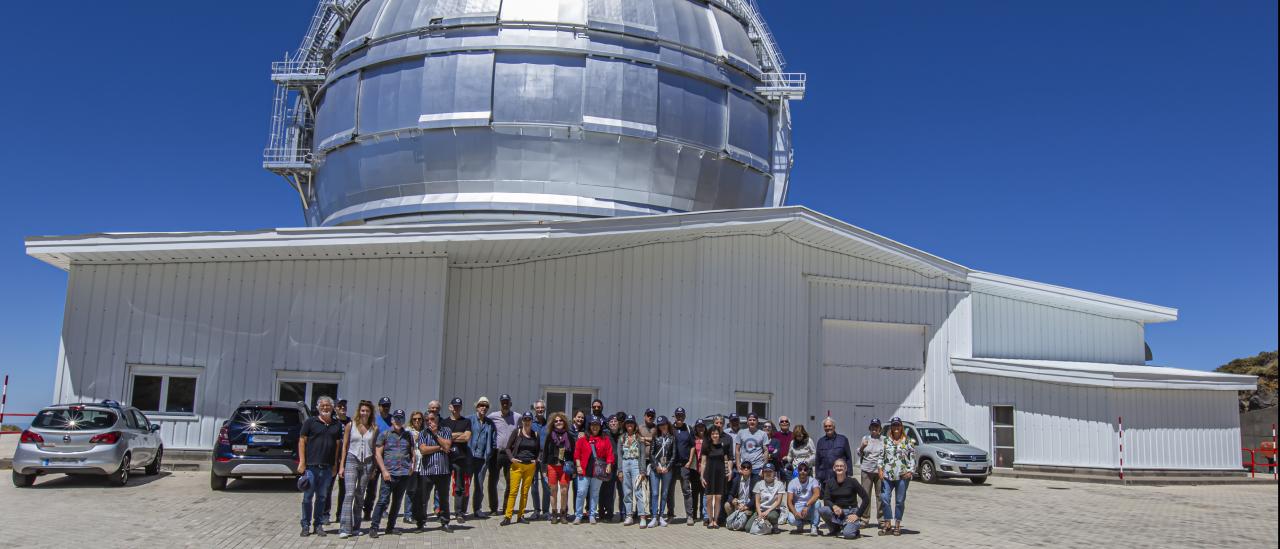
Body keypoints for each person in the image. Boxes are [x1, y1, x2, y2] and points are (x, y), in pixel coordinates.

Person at [298, 395, 343, 537]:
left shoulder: (336, 425)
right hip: (311, 467)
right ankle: (305, 525)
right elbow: (302, 442)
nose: (325, 408)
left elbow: (337, 446)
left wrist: (335, 463)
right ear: (318, 407)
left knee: (322, 497)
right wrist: (302, 462)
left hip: (328, 467)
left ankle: (318, 525)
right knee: (307, 497)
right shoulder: (310, 422)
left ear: (332, 408)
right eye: (322, 405)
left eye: (328, 406)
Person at [368, 410, 414, 539]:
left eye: (401, 418)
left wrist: (412, 465)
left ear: (403, 420)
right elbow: (377, 454)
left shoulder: (408, 435)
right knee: (383, 501)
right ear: (392, 420)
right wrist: (384, 471)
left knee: (397, 502)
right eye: (396, 418)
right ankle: (374, 527)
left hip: (404, 474)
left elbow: (411, 452)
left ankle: (390, 527)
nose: (398, 421)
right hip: (389, 474)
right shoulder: (385, 434)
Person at [337, 400, 378, 538]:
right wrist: (341, 465)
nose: (364, 413)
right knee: (349, 494)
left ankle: (356, 526)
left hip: (367, 462)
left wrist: (374, 468)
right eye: (362, 410)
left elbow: (374, 449)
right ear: (359, 411)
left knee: (360, 495)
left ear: (370, 412)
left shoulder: (374, 428)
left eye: (367, 410)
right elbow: (345, 446)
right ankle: (344, 528)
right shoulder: (351, 425)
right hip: (351, 459)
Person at [414, 410, 454, 532]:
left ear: (437, 419)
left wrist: (436, 434)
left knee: (443, 498)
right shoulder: (422, 434)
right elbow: (423, 450)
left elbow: (447, 447)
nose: (429, 422)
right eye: (427, 420)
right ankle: (421, 523)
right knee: (423, 499)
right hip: (427, 471)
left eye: (432, 419)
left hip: (443, 470)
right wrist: (439, 447)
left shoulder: (446, 431)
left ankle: (445, 522)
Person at [499, 412, 540, 525]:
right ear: (522, 421)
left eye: (529, 419)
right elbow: (507, 448)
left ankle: (520, 516)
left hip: (530, 467)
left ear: (532, 421)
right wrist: (512, 459)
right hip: (517, 466)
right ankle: (508, 516)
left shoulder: (535, 434)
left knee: (525, 492)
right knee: (513, 492)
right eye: (525, 419)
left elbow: (539, 451)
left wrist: (536, 460)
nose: (527, 421)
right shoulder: (516, 432)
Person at [573, 417, 615, 524]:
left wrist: (609, 464)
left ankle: (592, 514)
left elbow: (609, 453)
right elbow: (577, 454)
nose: (595, 427)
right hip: (584, 469)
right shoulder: (582, 439)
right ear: (589, 426)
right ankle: (578, 515)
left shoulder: (605, 439)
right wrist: (578, 466)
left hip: (598, 471)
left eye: (597, 425)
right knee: (581, 492)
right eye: (592, 425)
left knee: (595, 493)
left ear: (600, 426)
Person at [878, 417, 915, 536]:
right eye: (894, 425)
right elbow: (880, 457)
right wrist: (880, 469)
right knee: (884, 499)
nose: (896, 428)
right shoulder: (885, 441)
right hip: (887, 476)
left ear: (901, 427)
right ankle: (888, 524)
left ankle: (897, 525)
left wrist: (910, 471)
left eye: (898, 425)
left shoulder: (908, 441)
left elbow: (913, 457)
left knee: (899, 501)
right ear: (891, 427)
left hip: (902, 476)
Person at [817, 458, 870, 539]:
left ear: (845, 468)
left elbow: (866, 498)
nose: (839, 468)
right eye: (837, 466)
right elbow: (826, 499)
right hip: (838, 512)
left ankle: (854, 528)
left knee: (848, 535)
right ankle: (835, 529)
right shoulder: (829, 482)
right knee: (823, 510)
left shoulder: (853, 481)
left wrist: (857, 515)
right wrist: (834, 506)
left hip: (851, 512)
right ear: (834, 468)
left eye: (841, 466)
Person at [442, 398, 473, 523]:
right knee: (444, 486)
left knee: (459, 487)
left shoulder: (466, 421)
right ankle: (443, 512)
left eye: (458, 406)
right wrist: (456, 434)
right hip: (446, 458)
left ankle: (459, 513)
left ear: (461, 407)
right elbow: (441, 438)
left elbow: (466, 438)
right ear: (450, 407)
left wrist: (449, 436)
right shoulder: (444, 422)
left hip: (460, 458)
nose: (456, 408)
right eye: (454, 406)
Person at [487, 394, 519, 516]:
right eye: (503, 402)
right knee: (492, 481)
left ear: (510, 404)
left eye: (507, 402)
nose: (505, 404)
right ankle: (494, 508)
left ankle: (506, 507)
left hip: (510, 454)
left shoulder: (517, 417)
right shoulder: (493, 416)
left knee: (510, 482)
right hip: (496, 453)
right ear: (500, 404)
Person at [542, 412, 575, 524]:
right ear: (553, 423)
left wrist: (574, 468)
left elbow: (573, 453)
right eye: (556, 421)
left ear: (564, 422)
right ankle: (554, 514)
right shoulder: (550, 436)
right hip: (552, 466)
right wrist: (543, 469)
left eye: (560, 420)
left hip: (565, 467)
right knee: (553, 491)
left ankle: (563, 514)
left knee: (564, 491)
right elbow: (545, 453)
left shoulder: (569, 436)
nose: (558, 422)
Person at [364, 396, 393, 520]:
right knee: (371, 486)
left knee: (386, 486)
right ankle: (367, 510)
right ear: (379, 406)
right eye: (383, 406)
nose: (385, 408)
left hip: (388, 458)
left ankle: (383, 509)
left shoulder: (393, 420)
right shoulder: (374, 420)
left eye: (387, 406)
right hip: (374, 457)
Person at [617, 415, 650, 527]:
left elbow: (642, 456)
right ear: (625, 425)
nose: (629, 425)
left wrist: (643, 471)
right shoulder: (622, 438)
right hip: (625, 463)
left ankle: (642, 516)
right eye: (627, 423)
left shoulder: (639, 438)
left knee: (638, 490)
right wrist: (620, 470)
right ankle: (629, 515)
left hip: (636, 463)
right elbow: (620, 456)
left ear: (635, 425)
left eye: (631, 423)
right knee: (627, 491)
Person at [467, 397, 495, 518]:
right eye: (481, 405)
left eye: (486, 406)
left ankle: (477, 509)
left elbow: (493, 440)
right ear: (477, 407)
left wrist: (489, 454)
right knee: (466, 484)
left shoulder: (490, 423)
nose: (483, 407)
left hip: (482, 459)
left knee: (479, 485)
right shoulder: (469, 419)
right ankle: (462, 511)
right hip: (469, 457)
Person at [701, 425, 733, 529]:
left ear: (719, 435)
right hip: (709, 474)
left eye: (717, 433)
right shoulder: (706, 445)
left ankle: (716, 520)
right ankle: (710, 521)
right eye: (713, 433)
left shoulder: (723, 445)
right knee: (709, 498)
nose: (715, 435)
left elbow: (727, 459)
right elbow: (703, 462)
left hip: (720, 474)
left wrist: (730, 471)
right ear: (710, 435)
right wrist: (701, 476)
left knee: (718, 498)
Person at [325, 399, 352, 524]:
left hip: (346, 459)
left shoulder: (350, 422)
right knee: (328, 487)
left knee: (344, 489)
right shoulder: (331, 422)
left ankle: (340, 514)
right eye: (340, 406)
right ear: (335, 408)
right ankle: (325, 514)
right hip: (331, 459)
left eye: (344, 406)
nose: (343, 408)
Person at [647, 416, 676, 528]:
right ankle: (654, 517)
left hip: (667, 469)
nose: (662, 427)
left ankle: (661, 516)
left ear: (667, 424)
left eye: (664, 424)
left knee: (664, 493)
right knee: (654, 493)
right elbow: (651, 454)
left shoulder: (672, 438)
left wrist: (668, 467)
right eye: (660, 425)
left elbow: (674, 455)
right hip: (656, 468)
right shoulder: (656, 437)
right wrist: (656, 466)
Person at [669, 408, 697, 524]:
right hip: (672, 465)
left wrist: (690, 461)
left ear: (684, 417)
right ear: (674, 416)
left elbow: (692, 446)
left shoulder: (689, 429)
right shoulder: (671, 429)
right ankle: (670, 514)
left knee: (686, 491)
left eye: (681, 416)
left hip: (684, 465)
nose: (679, 418)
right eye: (677, 416)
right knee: (669, 491)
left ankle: (689, 516)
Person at [857, 418, 885, 528]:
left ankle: (882, 520)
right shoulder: (865, 438)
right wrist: (863, 446)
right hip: (866, 470)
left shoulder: (884, 440)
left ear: (880, 428)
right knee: (865, 495)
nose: (874, 429)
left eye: (876, 426)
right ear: (870, 428)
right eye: (872, 426)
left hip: (879, 471)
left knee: (880, 496)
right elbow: (859, 453)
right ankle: (864, 519)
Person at [786, 463, 822, 536]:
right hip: (798, 507)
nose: (802, 471)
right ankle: (800, 524)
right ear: (797, 471)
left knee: (818, 503)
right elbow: (789, 501)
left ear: (808, 471)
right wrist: (795, 513)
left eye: (805, 469)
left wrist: (807, 505)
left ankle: (814, 526)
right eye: (800, 469)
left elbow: (817, 494)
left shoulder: (813, 481)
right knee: (791, 519)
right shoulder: (792, 482)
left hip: (809, 506)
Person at [750, 463, 786, 535]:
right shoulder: (758, 484)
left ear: (774, 473)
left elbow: (778, 502)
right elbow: (757, 502)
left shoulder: (780, 484)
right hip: (760, 510)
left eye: (770, 471)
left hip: (773, 510)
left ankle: (774, 526)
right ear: (763, 473)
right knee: (748, 528)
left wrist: (767, 511)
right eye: (766, 471)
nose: (768, 473)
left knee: (772, 516)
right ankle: (765, 524)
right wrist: (760, 513)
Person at [402, 410, 425, 525]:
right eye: (415, 419)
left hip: (423, 465)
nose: (417, 421)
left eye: (419, 419)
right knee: (410, 490)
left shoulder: (425, 431)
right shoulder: (407, 431)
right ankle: (407, 515)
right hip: (412, 465)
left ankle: (417, 515)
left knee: (419, 491)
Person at [815, 417, 853, 486]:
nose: (828, 428)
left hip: (839, 476)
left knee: (840, 496)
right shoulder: (820, 441)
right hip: (824, 477)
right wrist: (817, 476)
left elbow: (848, 458)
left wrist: (849, 473)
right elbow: (817, 460)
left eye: (830, 426)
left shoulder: (843, 439)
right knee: (825, 496)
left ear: (834, 427)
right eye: (825, 426)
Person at [600, 413, 623, 522]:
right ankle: (608, 514)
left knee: (622, 491)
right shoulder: (604, 434)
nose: (613, 423)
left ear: (619, 423)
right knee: (608, 491)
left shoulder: (623, 435)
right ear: (608, 424)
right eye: (611, 422)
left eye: (615, 421)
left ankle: (623, 513)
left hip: (621, 467)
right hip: (609, 466)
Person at [683, 420, 707, 525]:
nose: (700, 428)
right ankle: (694, 515)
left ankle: (703, 514)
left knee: (703, 493)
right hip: (694, 469)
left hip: (704, 470)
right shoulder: (693, 439)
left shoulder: (708, 439)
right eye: (698, 427)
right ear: (695, 428)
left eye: (702, 426)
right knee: (694, 493)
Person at [724, 460, 757, 531]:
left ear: (751, 470)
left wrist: (746, 506)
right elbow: (730, 494)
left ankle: (741, 523)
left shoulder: (755, 480)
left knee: (745, 524)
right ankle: (733, 521)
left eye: (748, 467)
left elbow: (755, 498)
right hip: (738, 504)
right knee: (727, 505)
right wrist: (732, 500)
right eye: (744, 467)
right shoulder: (736, 479)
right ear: (741, 469)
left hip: (749, 506)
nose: (746, 469)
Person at [530, 400, 549, 521]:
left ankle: (546, 511)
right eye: (538, 408)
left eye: (542, 408)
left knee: (546, 485)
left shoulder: (549, 424)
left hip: (545, 458)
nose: (540, 410)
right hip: (533, 458)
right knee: (534, 485)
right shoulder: (530, 423)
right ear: (535, 409)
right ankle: (536, 510)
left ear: (545, 409)